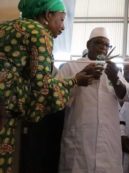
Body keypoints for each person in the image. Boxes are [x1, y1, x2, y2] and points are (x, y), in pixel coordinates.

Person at [0, 0, 94, 172]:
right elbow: (42, 85)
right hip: (4, 107)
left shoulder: (8, 26)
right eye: (61, 19)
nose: (63, 27)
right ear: (47, 15)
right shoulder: (40, 33)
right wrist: (75, 81)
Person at [58, 27, 129, 173]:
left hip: (107, 142)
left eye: (107, 45)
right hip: (80, 140)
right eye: (99, 43)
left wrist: (115, 79)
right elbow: (56, 94)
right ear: (88, 45)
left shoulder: (112, 69)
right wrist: (78, 79)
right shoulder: (71, 67)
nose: (103, 48)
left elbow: (127, 96)